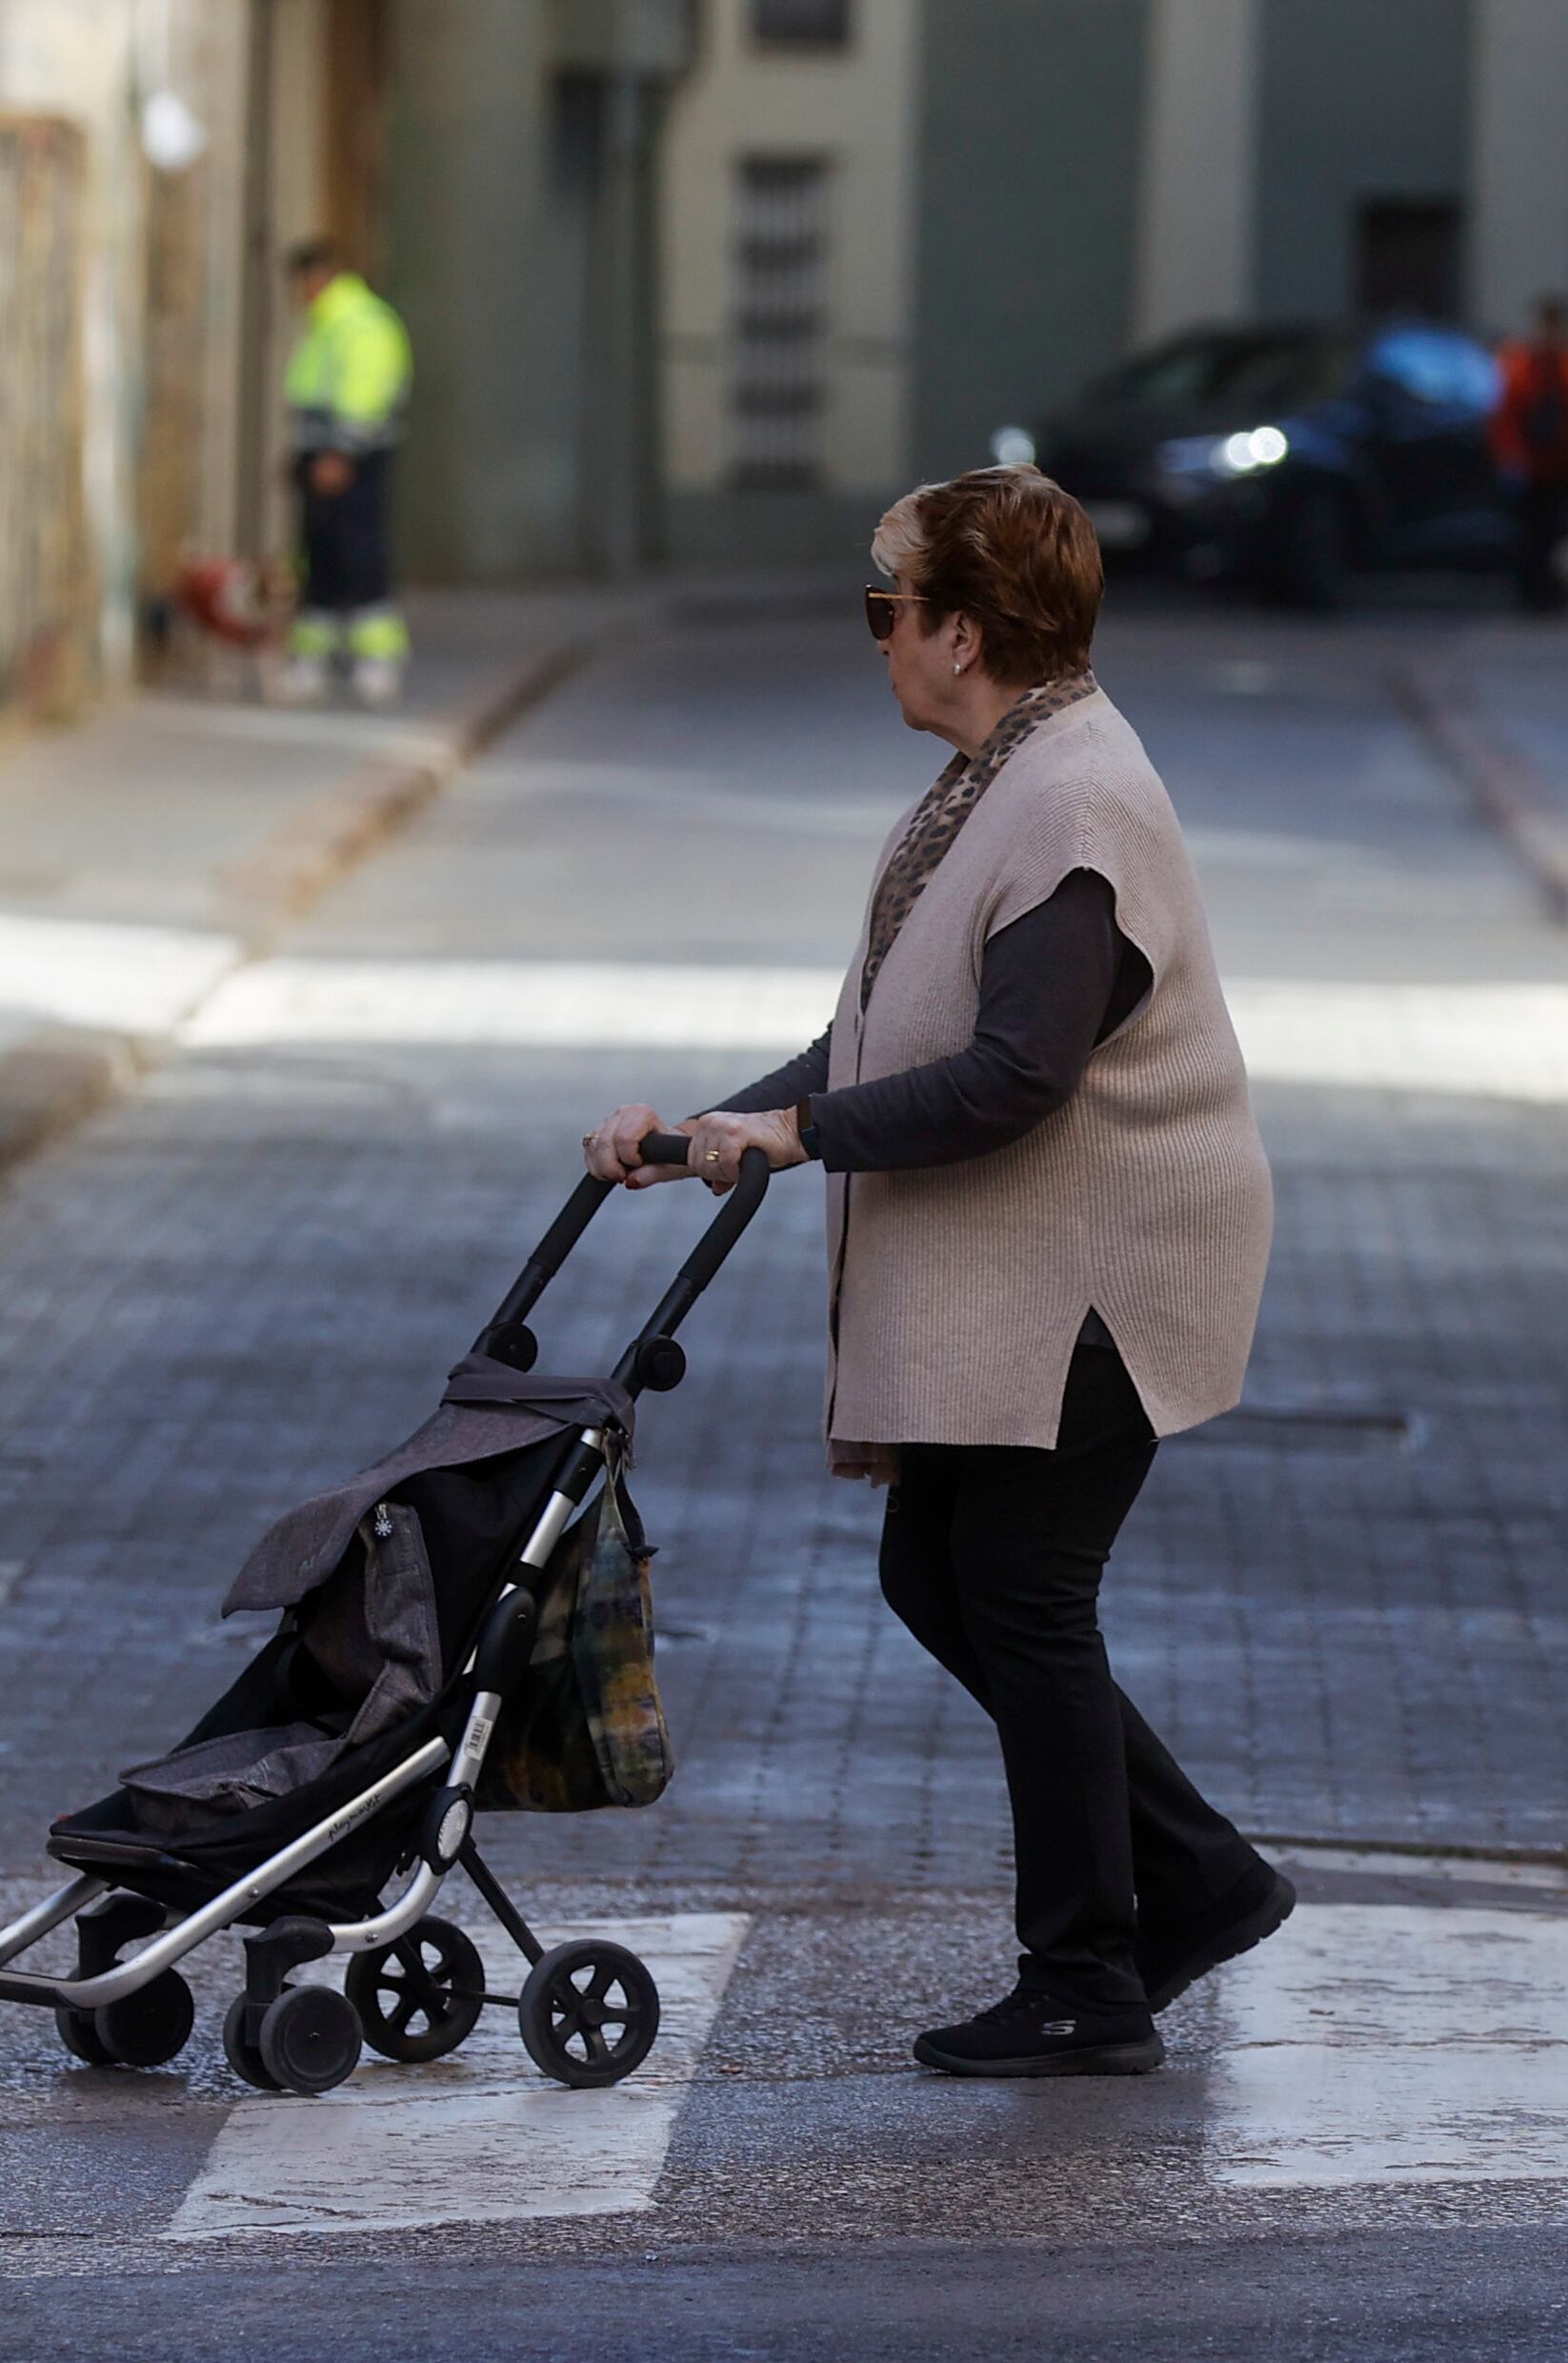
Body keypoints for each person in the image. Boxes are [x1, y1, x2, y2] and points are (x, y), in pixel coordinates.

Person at [587, 465, 1291, 2079]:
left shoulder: (1066, 804)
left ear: (961, 632)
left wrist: (799, 1133)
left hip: (1104, 1271)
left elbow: (1014, 1073)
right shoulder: (1002, 772)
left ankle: (1086, 1973)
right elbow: (880, 1036)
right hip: (1047, 1267)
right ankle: (1187, 1876)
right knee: (942, 1571)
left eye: (881, 603)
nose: (876, 634)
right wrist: (722, 1122)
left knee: (1022, 1595)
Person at [280, 242, 413, 708]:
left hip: (351, 462)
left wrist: (341, 454)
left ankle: (377, 661)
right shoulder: (327, 326)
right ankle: (313, 660)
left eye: (299, 284)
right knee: (319, 557)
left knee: (359, 553)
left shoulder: (361, 324)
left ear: (318, 278)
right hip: (321, 459)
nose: (296, 295)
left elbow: (366, 395)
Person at [1493, 293, 1568, 613]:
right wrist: (1512, 456)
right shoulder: (1519, 364)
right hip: (1532, 467)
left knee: (1567, 535)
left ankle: (1561, 595)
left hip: (1567, 466)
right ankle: (1533, 595)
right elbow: (1505, 414)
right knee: (1531, 536)